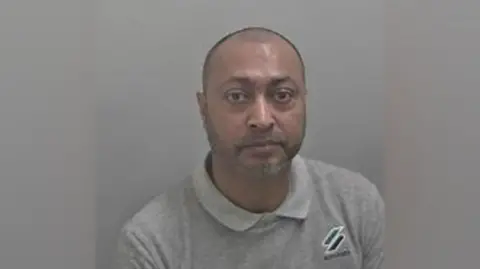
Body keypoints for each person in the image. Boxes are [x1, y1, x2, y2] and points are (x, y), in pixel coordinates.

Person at [115, 26, 384, 269]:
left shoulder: (356, 204)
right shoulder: (150, 243)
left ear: (304, 102)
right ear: (204, 108)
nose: (262, 119)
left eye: (282, 95)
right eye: (237, 96)